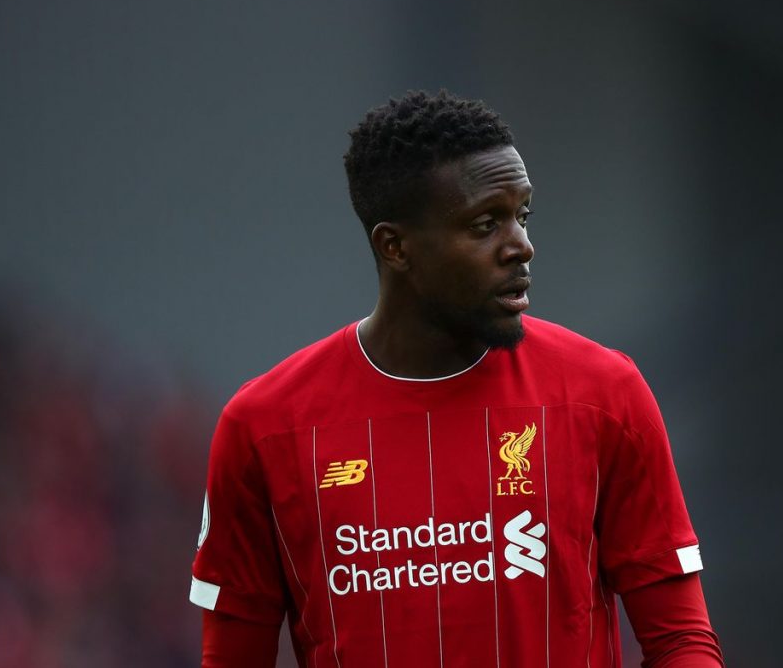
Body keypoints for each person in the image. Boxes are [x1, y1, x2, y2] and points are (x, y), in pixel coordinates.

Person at [189, 90, 724, 667]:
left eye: (522, 216)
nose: (521, 246)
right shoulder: (265, 427)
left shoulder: (602, 394)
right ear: (395, 247)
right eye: (485, 223)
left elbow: (681, 641)